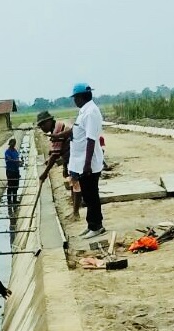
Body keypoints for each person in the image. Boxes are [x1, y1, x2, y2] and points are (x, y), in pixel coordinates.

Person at [68, 82, 105, 239]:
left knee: (91, 196)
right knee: (88, 196)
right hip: (82, 162)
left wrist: (87, 164)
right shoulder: (85, 111)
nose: (74, 101)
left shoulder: (90, 113)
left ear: (80, 97)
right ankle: (92, 224)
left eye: (75, 97)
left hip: (87, 163)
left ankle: (96, 226)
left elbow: (90, 139)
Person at [4, 138, 22, 206]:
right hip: (10, 171)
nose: (14, 144)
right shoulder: (7, 152)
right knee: (10, 186)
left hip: (16, 171)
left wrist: (19, 164)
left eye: (14, 143)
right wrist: (17, 161)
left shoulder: (15, 151)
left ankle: (14, 200)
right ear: (10, 143)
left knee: (16, 186)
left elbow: (17, 159)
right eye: (13, 143)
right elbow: (9, 159)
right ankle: (9, 200)